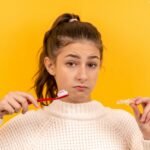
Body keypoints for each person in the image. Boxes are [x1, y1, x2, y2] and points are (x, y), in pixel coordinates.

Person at [0, 13, 150, 150]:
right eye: (71, 63)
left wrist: (148, 137)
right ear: (50, 65)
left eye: (91, 65)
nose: (83, 76)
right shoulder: (23, 127)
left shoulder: (125, 124)